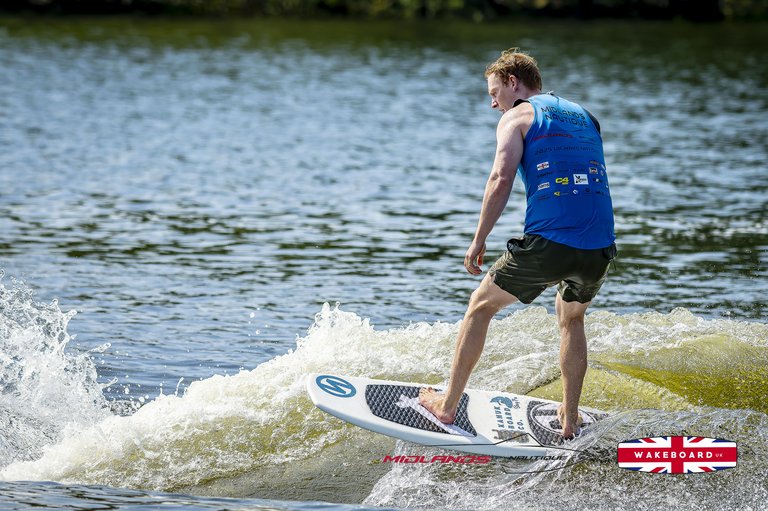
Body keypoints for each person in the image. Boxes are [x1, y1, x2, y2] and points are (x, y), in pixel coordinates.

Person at [418, 48, 617, 440]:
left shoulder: (518, 115)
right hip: (600, 247)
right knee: (572, 317)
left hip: (549, 243)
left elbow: (501, 177)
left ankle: (446, 405)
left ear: (514, 83)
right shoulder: (585, 116)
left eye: (495, 93)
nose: (493, 103)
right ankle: (569, 417)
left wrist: (479, 239)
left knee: (480, 306)